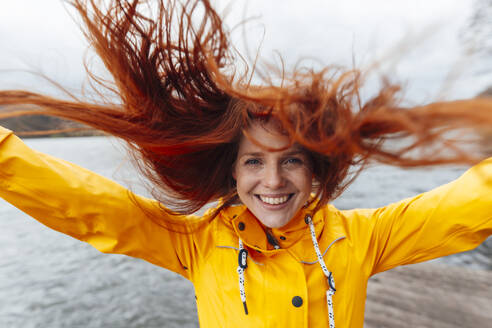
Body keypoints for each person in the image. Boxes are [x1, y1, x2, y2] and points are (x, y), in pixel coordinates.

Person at [0, 1, 491, 327]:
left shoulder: (361, 238)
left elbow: (464, 206)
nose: (272, 180)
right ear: (232, 172)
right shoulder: (193, 243)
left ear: (314, 168)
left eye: (291, 160)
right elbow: (90, 207)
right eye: (254, 161)